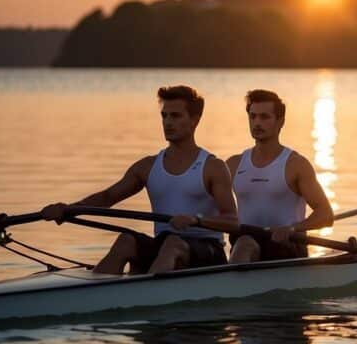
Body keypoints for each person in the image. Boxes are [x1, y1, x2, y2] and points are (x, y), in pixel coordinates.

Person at [41, 85, 237, 274]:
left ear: (195, 120)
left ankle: (147, 296)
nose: (167, 122)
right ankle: (91, 299)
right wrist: (67, 209)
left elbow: (232, 221)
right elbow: (108, 197)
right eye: (164, 115)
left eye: (175, 116)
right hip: (165, 246)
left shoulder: (213, 167)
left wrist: (196, 220)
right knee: (126, 240)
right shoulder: (147, 166)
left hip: (207, 251)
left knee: (172, 244)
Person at [225, 89, 333, 263]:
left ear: (280, 122)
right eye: (253, 117)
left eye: (264, 117)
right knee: (244, 242)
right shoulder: (233, 164)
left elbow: (326, 215)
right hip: (246, 245)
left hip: (287, 246)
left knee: (244, 243)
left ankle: (229, 286)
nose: (257, 123)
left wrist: (293, 228)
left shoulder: (296, 165)